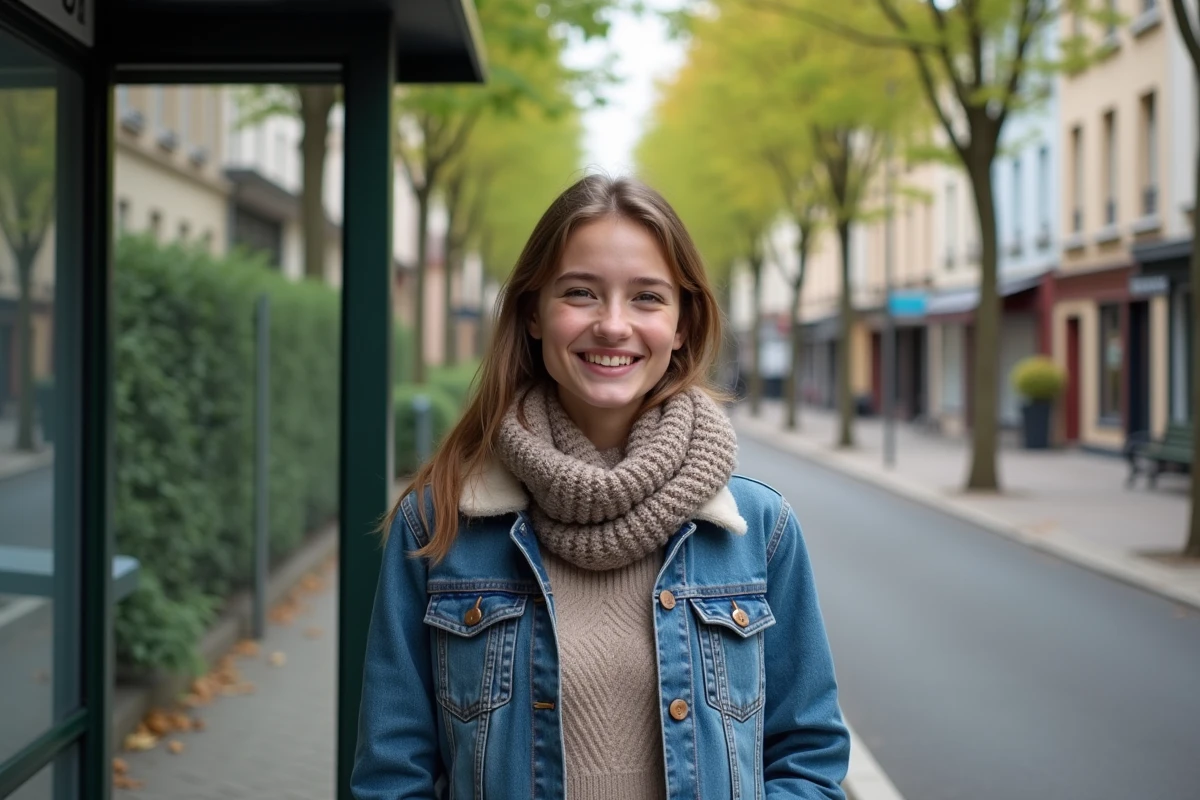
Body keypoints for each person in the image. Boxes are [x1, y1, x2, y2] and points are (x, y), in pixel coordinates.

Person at [351, 175, 850, 800]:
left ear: (683, 324)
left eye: (647, 297)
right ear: (533, 314)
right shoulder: (439, 524)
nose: (613, 325)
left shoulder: (758, 528)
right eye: (581, 293)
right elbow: (392, 776)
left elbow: (808, 757)